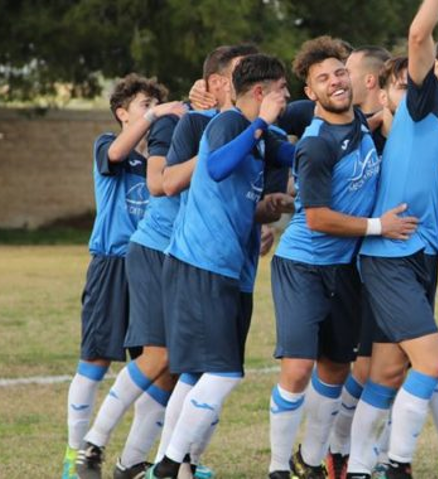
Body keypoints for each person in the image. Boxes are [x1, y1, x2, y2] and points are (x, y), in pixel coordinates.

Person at [346, 1, 438, 477]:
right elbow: (417, 33)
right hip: (390, 255)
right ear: (436, 67)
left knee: (387, 373)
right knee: (431, 361)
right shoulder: (422, 102)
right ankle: (398, 464)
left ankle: (359, 467)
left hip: (423, 259)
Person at [265, 36, 416, 479]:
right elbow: (315, 218)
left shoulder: (360, 125)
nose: (334, 81)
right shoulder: (315, 145)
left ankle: (310, 462)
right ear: (310, 94)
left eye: (338, 72)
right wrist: (379, 227)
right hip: (303, 266)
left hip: (346, 269)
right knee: (297, 369)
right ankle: (277, 468)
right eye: (322, 79)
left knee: (335, 367)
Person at [146, 53, 291, 479]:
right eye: (282, 89)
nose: (288, 96)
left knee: (194, 374)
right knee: (225, 372)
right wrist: (261, 123)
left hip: (229, 270)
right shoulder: (229, 124)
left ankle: (168, 465)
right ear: (261, 93)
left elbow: (299, 152)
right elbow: (216, 166)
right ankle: (169, 464)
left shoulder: (261, 135)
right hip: (201, 265)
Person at [61, 74, 183, 479]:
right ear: (122, 112)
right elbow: (116, 150)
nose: (153, 111)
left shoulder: (160, 163)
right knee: (95, 360)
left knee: (159, 365)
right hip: (113, 265)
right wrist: (156, 116)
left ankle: (135, 459)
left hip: (152, 266)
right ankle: (75, 454)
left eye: (156, 104)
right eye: (144, 104)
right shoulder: (108, 146)